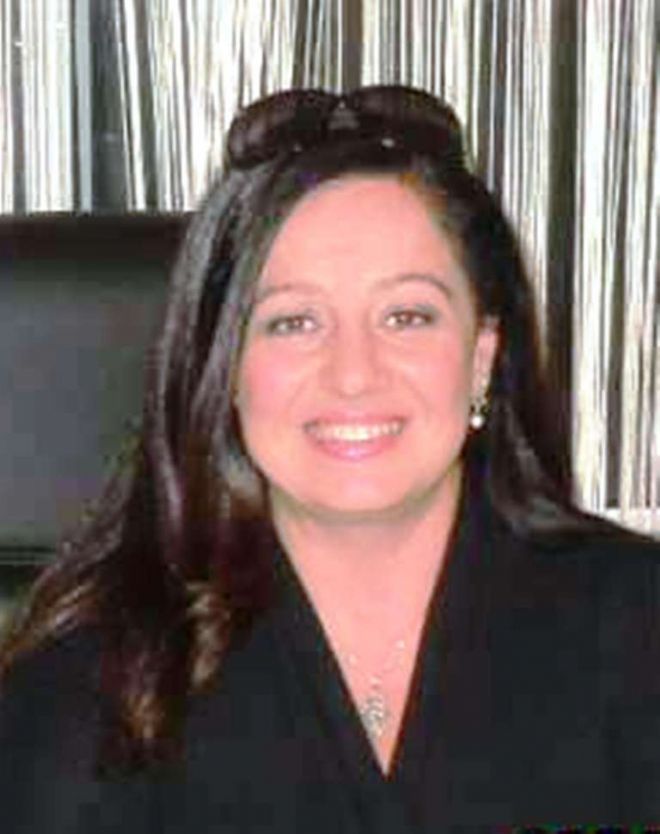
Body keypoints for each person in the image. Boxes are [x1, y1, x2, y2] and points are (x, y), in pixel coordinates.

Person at [0, 85, 659, 831]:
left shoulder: (637, 625)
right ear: (224, 367)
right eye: (294, 322)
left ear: (481, 356)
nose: (353, 374)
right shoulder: (97, 680)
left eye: (406, 316)